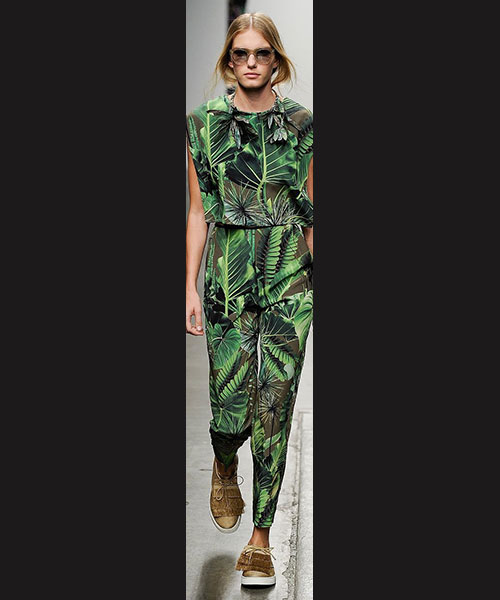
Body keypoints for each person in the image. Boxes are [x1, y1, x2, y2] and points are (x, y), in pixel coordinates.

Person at [186, 12, 313, 587]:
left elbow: (312, 208)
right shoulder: (202, 125)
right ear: (229, 62)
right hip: (227, 271)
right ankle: (224, 458)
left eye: (262, 53)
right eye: (241, 53)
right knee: (230, 401)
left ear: (276, 60)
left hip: (289, 271)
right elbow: (198, 211)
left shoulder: (304, 124)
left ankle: (260, 540)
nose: (252, 62)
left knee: (275, 404)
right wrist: (188, 286)